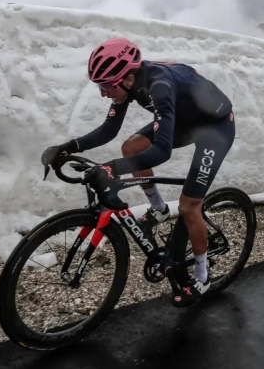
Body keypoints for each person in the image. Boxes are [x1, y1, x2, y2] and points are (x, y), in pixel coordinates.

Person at [41, 37, 236, 306]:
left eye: (106, 86)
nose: (103, 92)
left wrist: (112, 168)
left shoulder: (159, 86)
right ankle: (158, 208)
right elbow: (108, 130)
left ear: (127, 79)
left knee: (190, 207)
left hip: (215, 128)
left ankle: (202, 278)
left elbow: (161, 151)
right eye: (100, 86)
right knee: (130, 148)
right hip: (185, 120)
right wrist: (68, 147)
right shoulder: (129, 82)